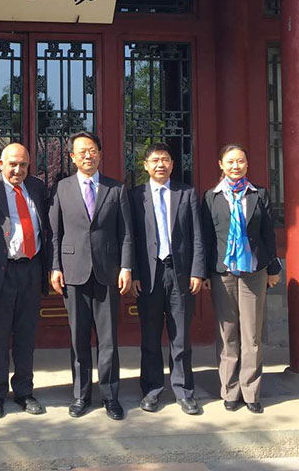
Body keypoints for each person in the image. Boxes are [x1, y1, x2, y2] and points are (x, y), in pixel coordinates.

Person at [49, 131, 134, 421]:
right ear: (72, 157)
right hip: (73, 272)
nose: (88, 155)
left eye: (93, 150)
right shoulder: (61, 188)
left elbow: (126, 233)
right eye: (82, 151)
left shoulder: (115, 188)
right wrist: (55, 266)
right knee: (78, 338)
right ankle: (81, 395)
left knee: (108, 339)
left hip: (107, 271)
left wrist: (126, 267)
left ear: (100, 153)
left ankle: (110, 396)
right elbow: (55, 233)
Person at [0, 143, 51, 419]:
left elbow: (48, 230)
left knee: (27, 336)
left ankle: (24, 391)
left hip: (31, 269)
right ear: (0, 163)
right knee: (0, 335)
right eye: (13, 164)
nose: (18, 170)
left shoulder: (38, 188)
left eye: (24, 165)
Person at [201, 143, 281, 414]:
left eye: (241, 162)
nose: (236, 166)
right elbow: (206, 238)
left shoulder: (258, 194)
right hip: (222, 273)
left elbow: (269, 234)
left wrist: (272, 268)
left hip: (253, 272)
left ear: (247, 165)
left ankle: (251, 391)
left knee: (252, 334)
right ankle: (230, 390)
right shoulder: (211, 197)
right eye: (230, 162)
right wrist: (204, 273)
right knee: (227, 334)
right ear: (221, 165)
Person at [129, 142, 205, 415]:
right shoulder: (135, 196)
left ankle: (184, 391)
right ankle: (151, 390)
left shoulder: (186, 193)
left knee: (180, 336)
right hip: (148, 275)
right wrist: (134, 272)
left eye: (165, 159)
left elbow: (197, 236)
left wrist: (197, 270)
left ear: (172, 164)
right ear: (146, 165)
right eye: (155, 160)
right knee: (150, 337)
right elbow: (131, 239)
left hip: (180, 272)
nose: (160, 164)